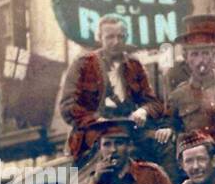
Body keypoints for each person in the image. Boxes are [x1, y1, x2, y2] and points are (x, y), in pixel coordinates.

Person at [58, 15, 165, 162]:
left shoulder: (134, 65)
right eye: (110, 37)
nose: (116, 42)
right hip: (92, 134)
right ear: (99, 37)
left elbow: (155, 103)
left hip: (128, 131)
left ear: (126, 37)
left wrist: (143, 111)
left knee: (164, 144)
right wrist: (96, 121)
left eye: (121, 37)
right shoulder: (83, 64)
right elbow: (68, 107)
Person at [163, 15, 215, 164]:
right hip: (196, 166)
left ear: (214, 55)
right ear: (186, 58)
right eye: (194, 54)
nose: (201, 60)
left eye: (205, 53)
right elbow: (172, 129)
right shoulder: (179, 95)